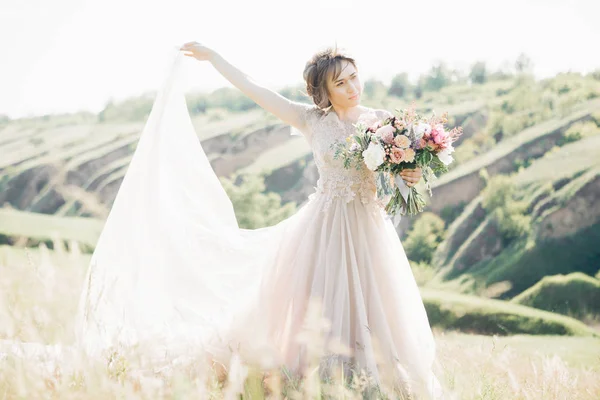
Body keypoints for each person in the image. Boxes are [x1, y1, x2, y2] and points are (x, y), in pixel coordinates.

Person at [75, 43, 445, 398]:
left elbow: (401, 175)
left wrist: (409, 175)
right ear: (324, 91)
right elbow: (255, 89)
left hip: (368, 230)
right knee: (315, 304)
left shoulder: (383, 121)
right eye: (340, 83)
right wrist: (214, 58)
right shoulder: (310, 120)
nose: (352, 87)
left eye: (353, 77)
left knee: (374, 302)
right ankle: (310, 381)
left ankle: (375, 381)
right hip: (323, 229)